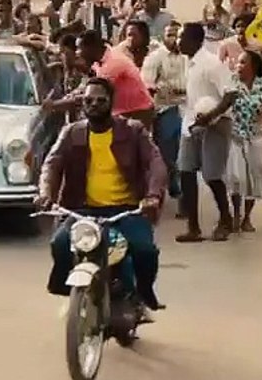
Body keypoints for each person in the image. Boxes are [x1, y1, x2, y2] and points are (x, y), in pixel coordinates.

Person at [37, 78, 166, 315]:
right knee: (60, 243)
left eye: (100, 100)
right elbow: (51, 164)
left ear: (111, 102)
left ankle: (143, 292)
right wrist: (45, 193)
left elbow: (155, 162)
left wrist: (152, 196)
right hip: (82, 210)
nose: (94, 105)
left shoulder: (133, 130)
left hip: (127, 210)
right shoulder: (71, 132)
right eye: (88, 100)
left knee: (145, 250)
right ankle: (68, 289)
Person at [176, 22, 239, 243]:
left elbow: (231, 94)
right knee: (185, 171)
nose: (178, 42)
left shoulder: (211, 64)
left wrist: (211, 115)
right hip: (193, 122)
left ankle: (226, 220)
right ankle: (193, 227)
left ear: (194, 41)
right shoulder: (190, 63)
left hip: (215, 124)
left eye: (182, 37)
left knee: (212, 175)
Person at [225, 50, 262, 232]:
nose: (239, 66)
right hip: (236, 137)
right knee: (236, 178)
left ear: (254, 66)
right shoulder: (231, 83)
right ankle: (236, 214)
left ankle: (247, 217)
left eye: (243, 62)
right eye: (238, 62)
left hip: (256, 137)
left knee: (253, 178)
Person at [142, 21, 188, 200]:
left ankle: (182, 189)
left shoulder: (187, 56)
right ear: (163, 37)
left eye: (177, 35)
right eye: (170, 35)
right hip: (166, 108)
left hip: (187, 107)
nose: (174, 39)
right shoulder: (155, 58)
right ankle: (170, 184)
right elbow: (147, 84)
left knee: (184, 151)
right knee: (167, 151)